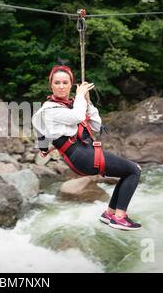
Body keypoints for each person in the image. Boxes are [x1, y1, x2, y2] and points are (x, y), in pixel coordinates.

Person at [32, 63, 143, 231]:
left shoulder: (72, 104)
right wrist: (80, 95)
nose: (61, 87)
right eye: (57, 83)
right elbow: (76, 117)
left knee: (128, 172)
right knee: (134, 170)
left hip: (86, 153)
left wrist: (87, 102)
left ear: (71, 84)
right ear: (51, 85)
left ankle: (110, 213)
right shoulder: (50, 109)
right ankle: (120, 218)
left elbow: (97, 125)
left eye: (65, 83)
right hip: (81, 156)